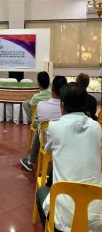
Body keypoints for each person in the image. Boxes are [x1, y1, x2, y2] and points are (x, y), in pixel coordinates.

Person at [36, 82, 102, 232]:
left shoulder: (54, 127)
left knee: (41, 192)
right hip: (96, 222)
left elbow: (48, 151)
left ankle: (50, 228)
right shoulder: (97, 127)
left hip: (62, 223)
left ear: (62, 105)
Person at [20, 76, 67, 172]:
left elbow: (38, 121)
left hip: (46, 143)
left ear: (52, 88)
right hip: (66, 144)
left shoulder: (41, 105)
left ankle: (30, 162)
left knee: (40, 127)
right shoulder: (69, 109)